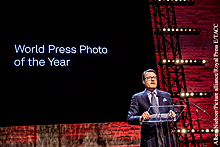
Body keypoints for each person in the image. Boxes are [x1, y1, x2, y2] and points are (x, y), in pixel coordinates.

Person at [127, 69, 179, 147]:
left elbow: (177, 115)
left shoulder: (166, 95)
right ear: (143, 81)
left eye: (154, 77)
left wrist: (174, 116)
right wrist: (141, 118)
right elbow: (130, 118)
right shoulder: (137, 97)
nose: (152, 79)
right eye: (149, 78)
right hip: (149, 139)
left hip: (166, 138)